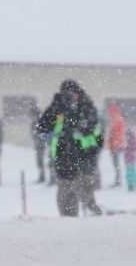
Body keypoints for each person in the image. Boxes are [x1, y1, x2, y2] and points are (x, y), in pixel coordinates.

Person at [36, 79, 103, 216]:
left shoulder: (86, 106)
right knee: (65, 191)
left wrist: (74, 120)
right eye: (66, 93)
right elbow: (42, 127)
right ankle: (68, 221)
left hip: (84, 155)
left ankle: (94, 217)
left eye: (72, 92)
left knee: (84, 190)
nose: (69, 96)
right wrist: (55, 107)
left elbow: (91, 130)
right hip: (63, 155)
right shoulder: (58, 108)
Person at [106, 104, 126, 187]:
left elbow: (117, 135)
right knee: (116, 164)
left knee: (116, 164)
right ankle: (117, 181)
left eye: (110, 112)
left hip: (115, 146)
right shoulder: (117, 120)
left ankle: (118, 181)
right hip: (115, 145)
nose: (109, 114)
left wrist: (114, 145)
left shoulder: (117, 120)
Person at [29, 104, 48, 183]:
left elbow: (40, 133)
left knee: (40, 160)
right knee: (40, 161)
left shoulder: (38, 121)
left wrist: (38, 139)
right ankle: (42, 175)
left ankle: (42, 176)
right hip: (39, 143)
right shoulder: (38, 120)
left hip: (40, 144)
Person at [125, 127, 136, 192]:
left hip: (130, 159)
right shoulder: (130, 142)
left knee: (130, 172)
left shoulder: (131, 142)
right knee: (130, 171)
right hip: (129, 159)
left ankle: (131, 184)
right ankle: (131, 184)